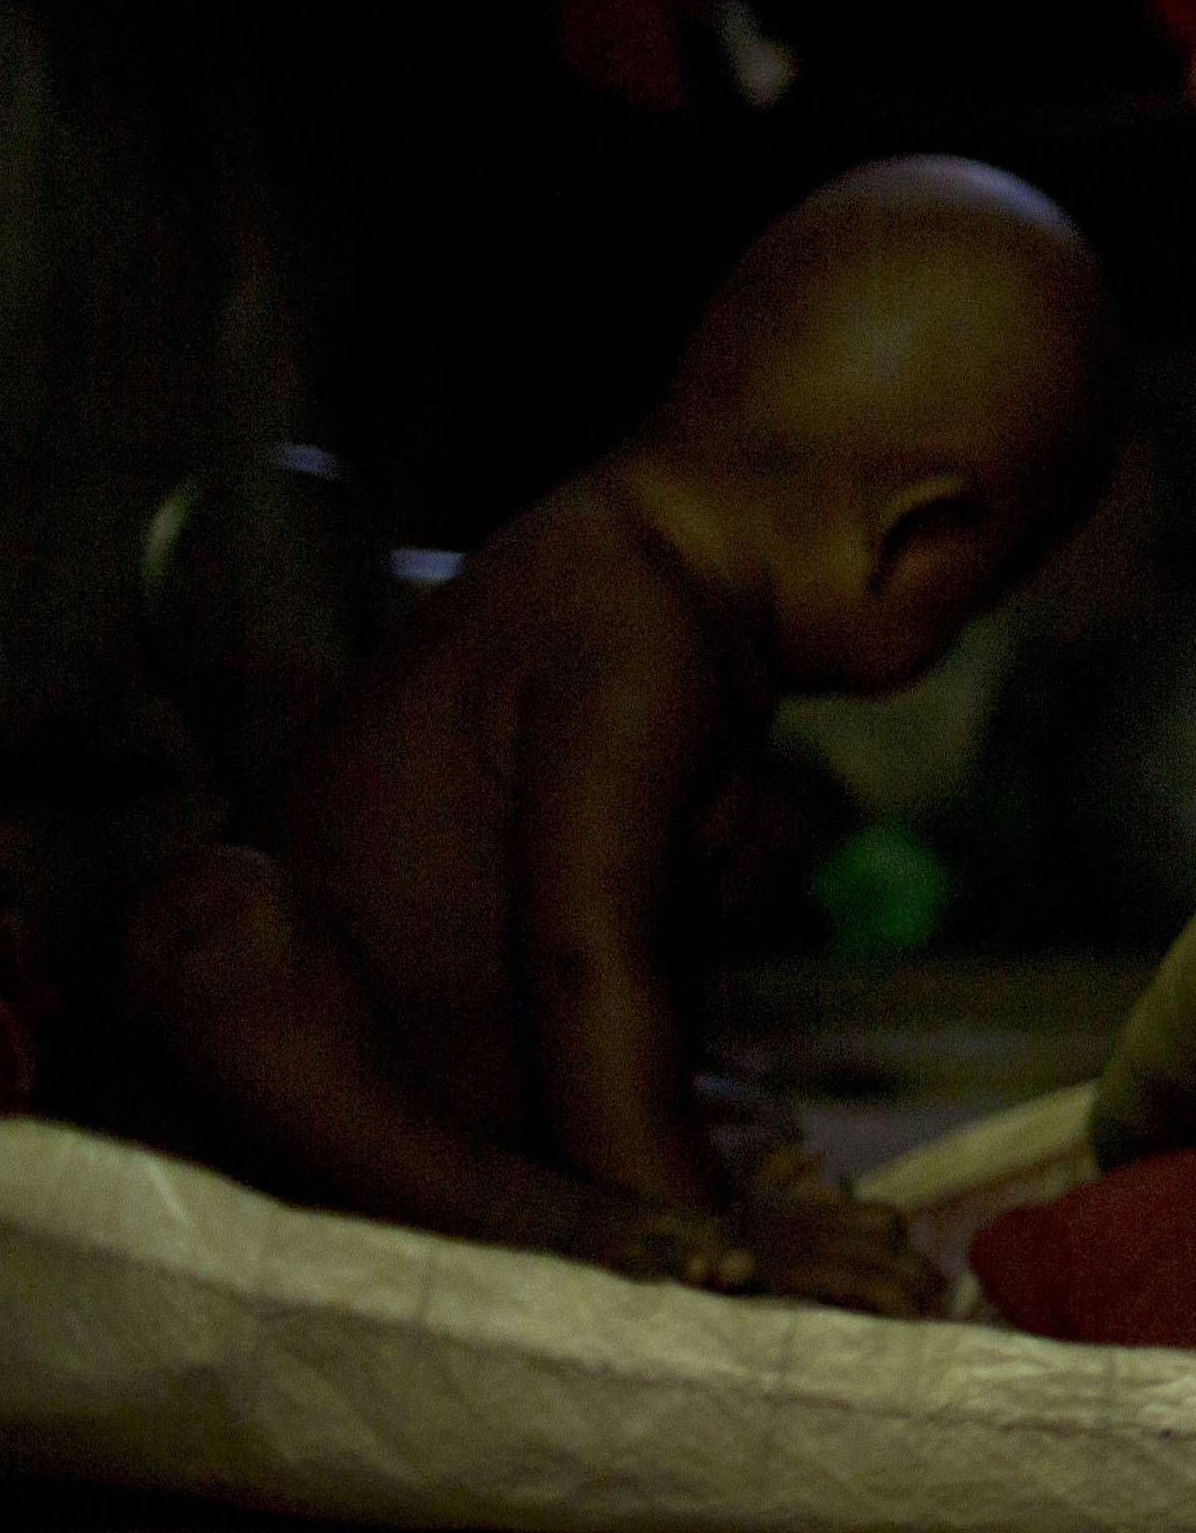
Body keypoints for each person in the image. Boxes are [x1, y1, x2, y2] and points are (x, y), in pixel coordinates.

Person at [113, 161, 1116, 1308]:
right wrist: (700, 1236)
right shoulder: (638, 631)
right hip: (265, 1104)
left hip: (447, 1083)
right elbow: (583, 963)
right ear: (909, 534)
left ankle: (610, 1205)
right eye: (973, 604)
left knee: (711, 1092)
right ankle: (584, 1232)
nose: (955, 642)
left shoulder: (651, 588)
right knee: (220, 940)